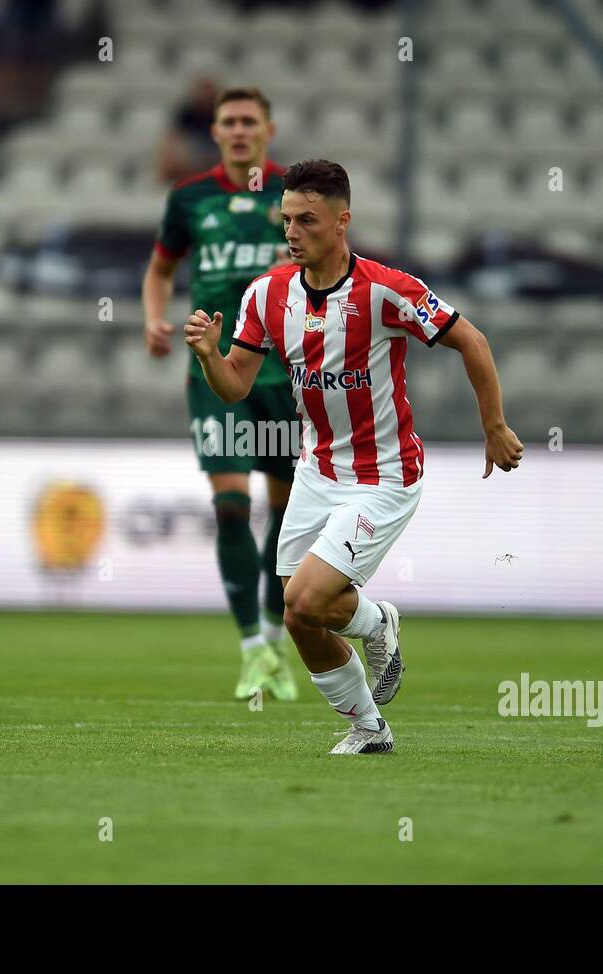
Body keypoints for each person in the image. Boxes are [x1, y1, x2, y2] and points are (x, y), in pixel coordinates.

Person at [184, 159, 524, 753]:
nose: (292, 232)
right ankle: (370, 727)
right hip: (316, 471)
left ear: (342, 222)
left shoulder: (387, 291)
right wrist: (212, 357)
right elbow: (236, 385)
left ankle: (375, 622)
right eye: (286, 219)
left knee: (304, 597)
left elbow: (472, 339)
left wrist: (493, 425)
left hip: (384, 476)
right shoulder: (266, 295)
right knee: (298, 617)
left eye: (306, 220)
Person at [142, 87, 303, 702]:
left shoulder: (293, 196)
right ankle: (250, 651)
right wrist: (153, 320)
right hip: (213, 370)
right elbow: (160, 269)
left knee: (286, 517)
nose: (239, 131)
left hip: (285, 376)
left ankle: (275, 640)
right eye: (228, 122)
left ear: (268, 128)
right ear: (214, 132)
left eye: (249, 122)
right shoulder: (189, 198)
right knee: (232, 506)